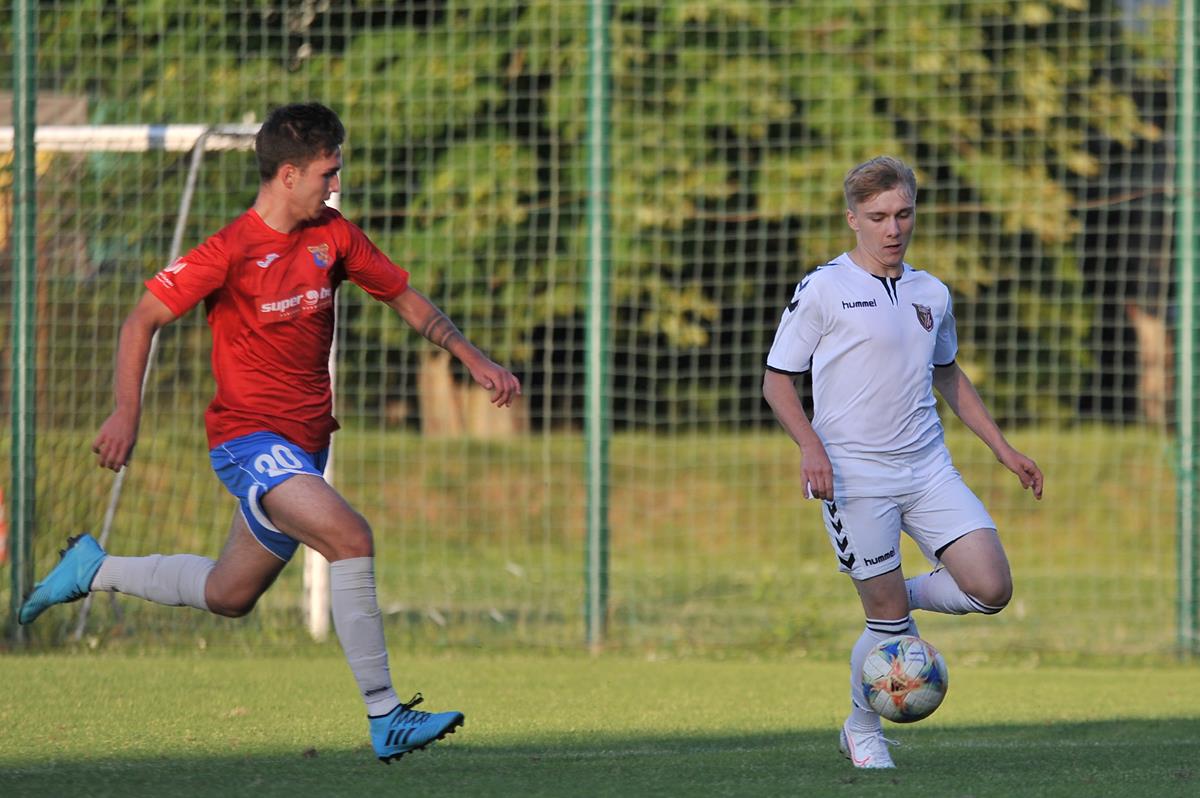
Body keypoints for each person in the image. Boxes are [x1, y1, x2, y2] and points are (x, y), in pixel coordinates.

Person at [19, 102, 522, 764]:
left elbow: (403, 297)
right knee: (351, 537)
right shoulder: (229, 250)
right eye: (327, 172)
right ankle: (386, 715)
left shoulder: (333, 236)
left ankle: (94, 568)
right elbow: (141, 319)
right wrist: (126, 412)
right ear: (289, 175)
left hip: (305, 447)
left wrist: (472, 356)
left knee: (230, 594)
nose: (335, 185)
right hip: (248, 442)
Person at [762, 156, 1043, 769]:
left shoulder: (930, 292)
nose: (893, 228)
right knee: (888, 626)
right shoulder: (824, 288)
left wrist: (1004, 450)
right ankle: (863, 730)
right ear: (852, 219)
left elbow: (948, 374)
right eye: (877, 217)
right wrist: (811, 447)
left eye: (903, 214)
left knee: (991, 588)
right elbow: (777, 381)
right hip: (854, 476)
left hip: (927, 467)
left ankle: (890, 597)